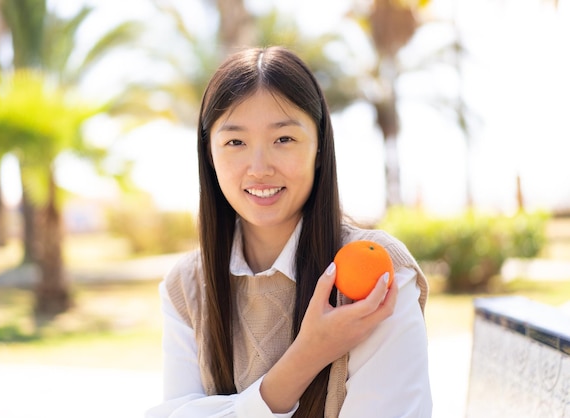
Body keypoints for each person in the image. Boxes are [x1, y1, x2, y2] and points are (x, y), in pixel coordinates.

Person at [146, 46, 432, 418]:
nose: (259, 168)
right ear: (209, 154)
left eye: (283, 139)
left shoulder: (372, 271)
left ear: (318, 147)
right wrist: (306, 356)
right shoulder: (187, 286)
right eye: (235, 142)